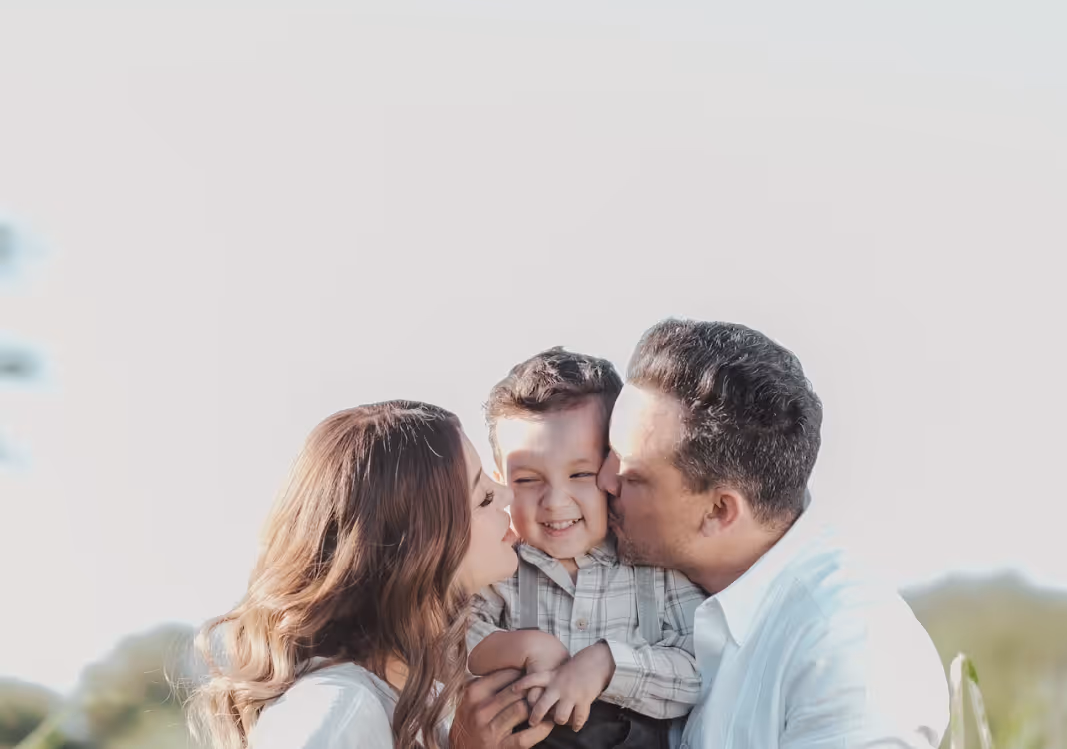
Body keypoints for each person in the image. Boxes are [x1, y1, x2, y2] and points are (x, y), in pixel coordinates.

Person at [597, 319, 951, 748]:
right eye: (608, 452)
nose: (603, 480)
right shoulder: (625, 581)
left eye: (632, 476)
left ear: (719, 511)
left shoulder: (848, 653)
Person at [188, 400, 556, 749]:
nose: (508, 494)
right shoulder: (337, 711)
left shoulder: (420, 698)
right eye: (483, 498)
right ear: (417, 545)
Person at [469, 348, 705, 748]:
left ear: (614, 469)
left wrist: (608, 664)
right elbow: (446, 641)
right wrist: (524, 647)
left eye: (581, 474)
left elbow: (701, 669)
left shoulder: (653, 566)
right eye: (527, 480)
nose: (556, 501)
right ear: (500, 482)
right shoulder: (501, 570)